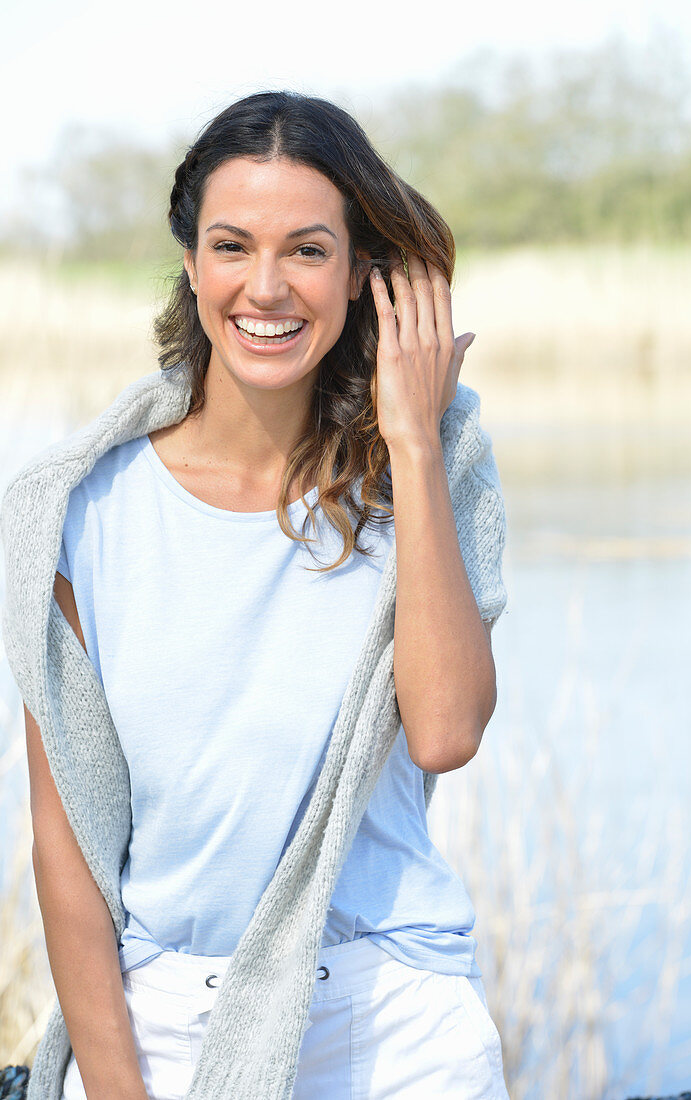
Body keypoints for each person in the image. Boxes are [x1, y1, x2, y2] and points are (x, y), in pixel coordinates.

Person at [9, 90, 510, 1098]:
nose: (267, 287)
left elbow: (445, 730)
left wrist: (410, 439)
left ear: (365, 270)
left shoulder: (426, 468)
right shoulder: (75, 511)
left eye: (308, 250)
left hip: (390, 1017)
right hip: (164, 1018)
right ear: (191, 262)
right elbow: (66, 852)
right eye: (233, 245)